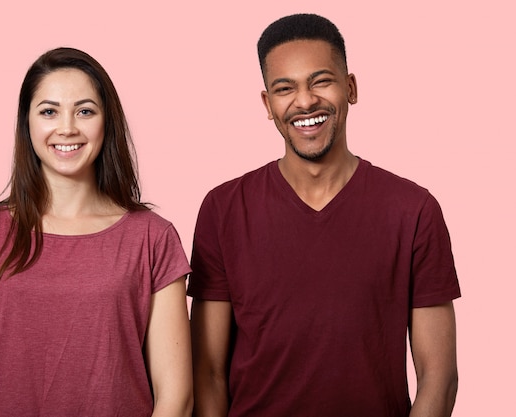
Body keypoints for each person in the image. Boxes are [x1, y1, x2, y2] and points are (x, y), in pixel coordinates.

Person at [188, 13, 460, 417]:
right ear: (268, 104)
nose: (305, 101)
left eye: (321, 81)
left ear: (350, 88)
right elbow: (207, 373)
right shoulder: (223, 209)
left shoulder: (413, 210)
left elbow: (439, 375)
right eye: (285, 88)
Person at [0, 47, 193, 417]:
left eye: (84, 111)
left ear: (107, 122)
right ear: (28, 124)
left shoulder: (152, 238)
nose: (67, 127)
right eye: (49, 111)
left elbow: (176, 400)